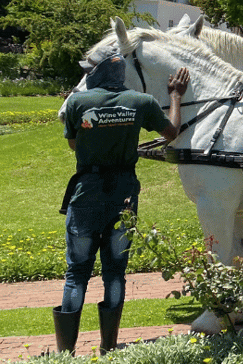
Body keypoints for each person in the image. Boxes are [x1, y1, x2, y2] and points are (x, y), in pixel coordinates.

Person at [56, 46, 189, 355]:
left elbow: (75, 144)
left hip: (86, 196)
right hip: (124, 199)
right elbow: (171, 133)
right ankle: (108, 348)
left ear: (97, 73)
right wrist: (176, 95)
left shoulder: (77, 102)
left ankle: (65, 353)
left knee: (76, 273)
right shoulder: (141, 102)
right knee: (114, 272)